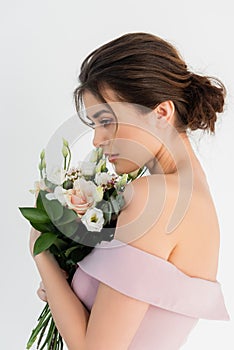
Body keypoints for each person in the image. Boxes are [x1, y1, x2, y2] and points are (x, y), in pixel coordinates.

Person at [31, 32, 230, 349]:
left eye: (106, 121)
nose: (97, 139)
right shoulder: (189, 193)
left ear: (161, 113)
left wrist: (40, 251)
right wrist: (65, 290)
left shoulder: (158, 196)